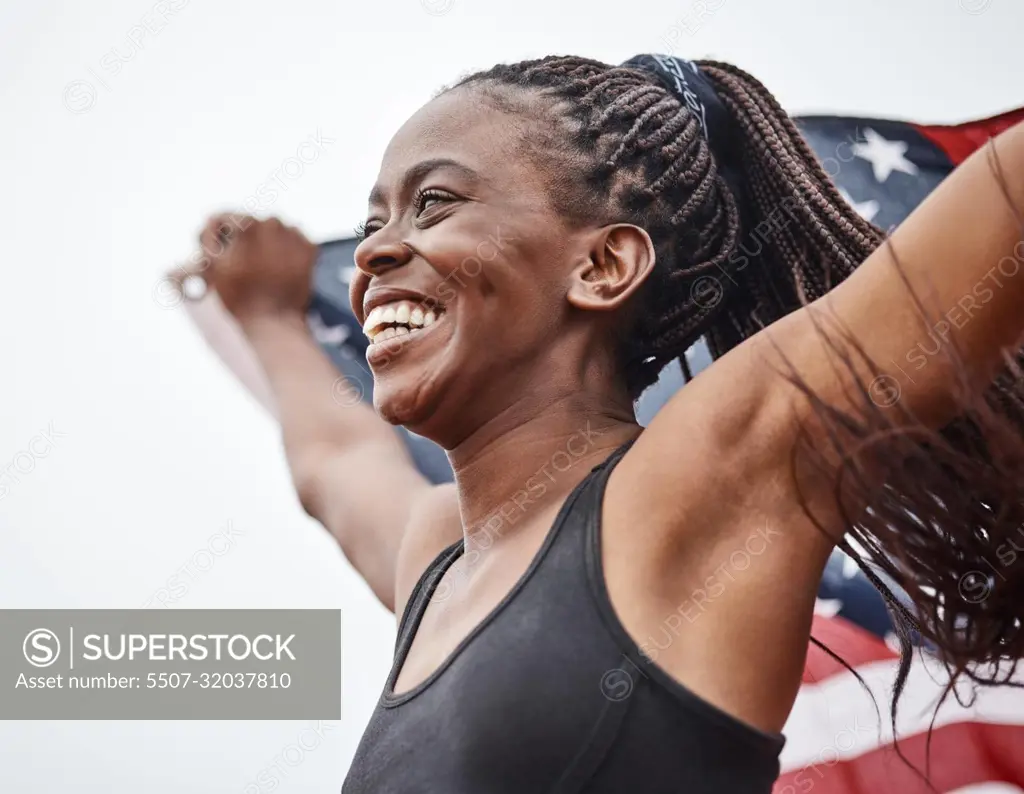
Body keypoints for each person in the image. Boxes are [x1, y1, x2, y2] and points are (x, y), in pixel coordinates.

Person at [175, 55, 1024, 793]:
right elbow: (334, 459)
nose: (372, 253)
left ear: (603, 264)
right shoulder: (439, 560)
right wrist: (267, 315)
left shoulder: (695, 482)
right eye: (373, 223)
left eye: (433, 202)